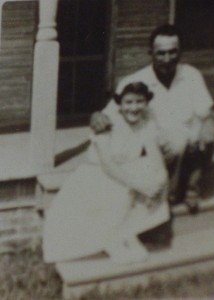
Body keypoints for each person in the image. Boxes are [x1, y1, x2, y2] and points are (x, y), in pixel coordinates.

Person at [91, 23, 214, 214]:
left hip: (185, 142)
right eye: (161, 53)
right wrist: (96, 117)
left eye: (172, 52)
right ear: (150, 52)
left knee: (206, 137)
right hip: (153, 144)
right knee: (178, 141)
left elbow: (208, 113)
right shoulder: (135, 81)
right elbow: (107, 114)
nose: (167, 59)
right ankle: (170, 196)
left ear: (180, 52)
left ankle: (191, 188)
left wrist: (209, 126)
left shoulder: (191, 75)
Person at [43, 82, 169, 264]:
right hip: (99, 174)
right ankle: (112, 240)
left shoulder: (146, 121)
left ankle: (129, 232)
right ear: (119, 103)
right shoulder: (106, 122)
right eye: (128, 102)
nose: (134, 108)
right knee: (122, 189)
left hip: (127, 170)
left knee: (155, 178)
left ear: (146, 102)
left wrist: (159, 181)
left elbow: (156, 158)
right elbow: (108, 165)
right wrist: (142, 186)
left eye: (139, 101)